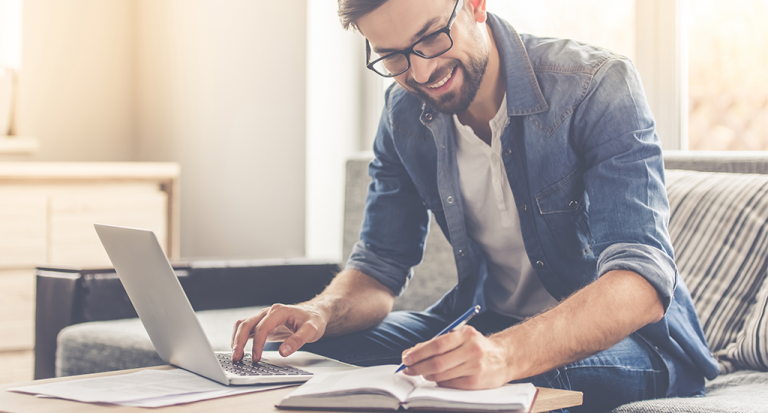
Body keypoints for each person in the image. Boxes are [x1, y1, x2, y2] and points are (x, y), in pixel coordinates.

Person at [231, 0, 719, 410]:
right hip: (484, 322)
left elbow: (639, 284)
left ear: (477, 4)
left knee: (490, 388)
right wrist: (320, 313)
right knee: (302, 359)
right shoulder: (403, 116)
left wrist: (503, 356)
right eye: (394, 57)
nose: (420, 71)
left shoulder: (597, 85)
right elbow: (380, 268)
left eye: (431, 39)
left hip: (639, 344)